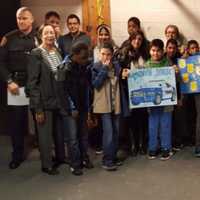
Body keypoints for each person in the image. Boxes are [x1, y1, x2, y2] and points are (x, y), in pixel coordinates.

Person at [0, 7, 38, 169]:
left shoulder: (38, 37)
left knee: (40, 118)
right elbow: (0, 63)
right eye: (18, 18)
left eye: (24, 18)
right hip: (17, 85)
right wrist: (9, 81)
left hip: (35, 84)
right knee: (17, 122)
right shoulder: (8, 38)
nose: (21, 21)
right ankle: (17, 155)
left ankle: (45, 152)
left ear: (32, 19)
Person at [27, 24, 67, 175]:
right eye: (46, 33)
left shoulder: (57, 51)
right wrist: (38, 108)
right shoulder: (36, 54)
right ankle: (47, 164)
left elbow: (60, 74)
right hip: (44, 102)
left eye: (52, 32)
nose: (50, 35)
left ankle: (60, 158)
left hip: (58, 100)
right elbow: (32, 83)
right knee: (45, 136)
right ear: (40, 36)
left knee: (58, 133)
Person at [56, 42, 93, 176]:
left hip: (82, 106)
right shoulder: (64, 68)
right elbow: (62, 92)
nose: (86, 60)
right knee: (72, 138)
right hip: (69, 109)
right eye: (83, 57)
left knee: (83, 136)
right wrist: (72, 108)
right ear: (75, 55)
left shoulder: (83, 66)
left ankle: (84, 158)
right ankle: (75, 164)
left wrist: (87, 108)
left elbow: (86, 88)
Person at [116, 30, 149, 156]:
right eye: (135, 39)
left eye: (140, 39)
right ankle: (134, 144)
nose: (137, 41)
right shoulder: (124, 54)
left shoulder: (145, 54)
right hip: (130, 91)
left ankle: (143, 144)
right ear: (131, 40)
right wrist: (122, 75)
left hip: (145, 91)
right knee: (133, 120)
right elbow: (119, 71)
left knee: (143, 119)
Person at [91, 42, 123, 171]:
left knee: (116, 131)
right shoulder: (96, 66)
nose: (105, 57)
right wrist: (104, 69)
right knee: (108, 132)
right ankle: (107, 159)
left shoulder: (116, 66)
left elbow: (121, 78)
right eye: (103, 54)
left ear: (112, 55)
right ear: (100, 54)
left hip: (116, 103)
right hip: (104, 104)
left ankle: (113, 156)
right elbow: (96, 84)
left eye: (108, 54)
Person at [145, 39, 173, 160]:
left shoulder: (168, 63)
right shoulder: (146, 65)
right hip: (152, 101)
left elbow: (174, 80)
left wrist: (175, 72)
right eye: (153, 50)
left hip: (167, 100)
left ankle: (166, 148)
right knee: (153, 124)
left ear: (163, 51)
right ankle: (153, 148)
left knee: (166, 124)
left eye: (158, 51)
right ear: (150, 51)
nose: (155, 53)